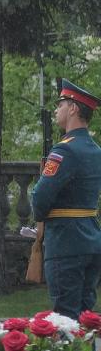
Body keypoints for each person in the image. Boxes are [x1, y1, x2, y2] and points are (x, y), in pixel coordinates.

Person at [31, 79, 101, 319]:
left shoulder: (64, 150)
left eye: (60, 104)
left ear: (73, 108)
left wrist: (41, 218)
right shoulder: (95, 150)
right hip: (91, 239)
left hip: (65, 242)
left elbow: (40, 197)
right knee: (85, 320)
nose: (56, 109)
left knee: (65, 321)